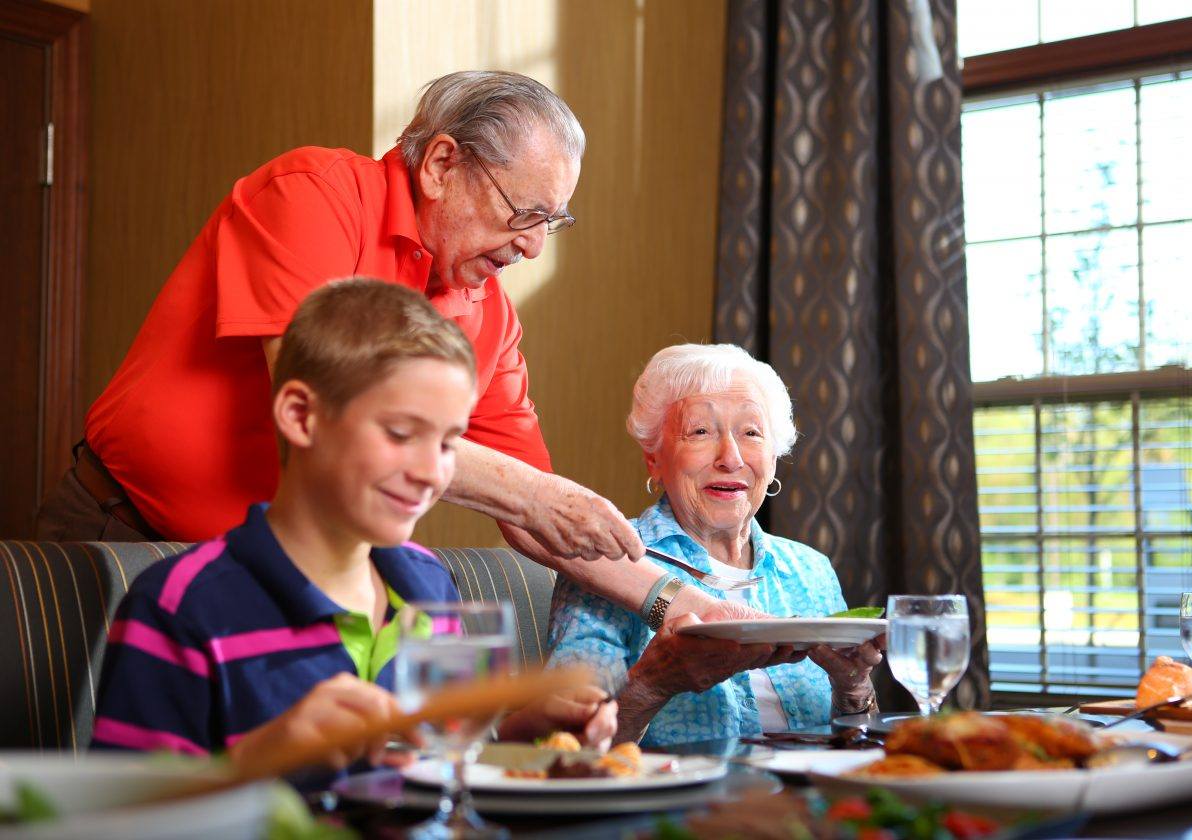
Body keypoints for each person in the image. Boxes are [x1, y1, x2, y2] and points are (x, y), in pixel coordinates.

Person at [39, 70, 726, 631]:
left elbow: (538, 518)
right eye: (525, 214)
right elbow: (330, 396)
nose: (533, 246)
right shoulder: (315, 196)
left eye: (554, 222)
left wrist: (691, 609)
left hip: (286, 576)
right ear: (442, 163)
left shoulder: (489, 314)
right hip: (127, 533)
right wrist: (536, 492)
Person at [91, 279, 616, 780]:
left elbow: (437, 761)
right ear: (300, 416)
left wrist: (522, 730)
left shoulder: (429, 586)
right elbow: (119, 819)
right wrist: (259, 763)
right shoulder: (182, 607)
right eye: (400, 433)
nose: (432, 471)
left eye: (448, 443)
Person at [548, 344, 883, 746]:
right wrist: (655, 684)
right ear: (654, 459)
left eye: (752, 433)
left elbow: (858, 749)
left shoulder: (810, 569)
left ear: (773, 458)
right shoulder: (606, 559)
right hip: (675, 805)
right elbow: (568, 747)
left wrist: (854, 688)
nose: (731, 457)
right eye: (701, 432)